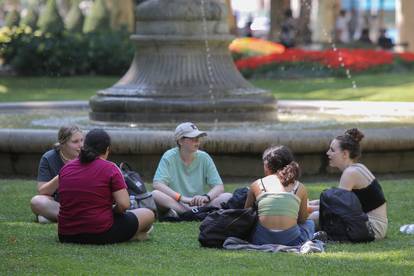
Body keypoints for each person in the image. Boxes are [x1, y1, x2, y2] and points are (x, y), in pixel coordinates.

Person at [58, 128, 154, 244]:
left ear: (85, 145)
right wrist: (114, 211)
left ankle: (135, 235)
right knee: (148, 214)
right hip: (100, 233)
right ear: (107, 149)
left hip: (66, 234)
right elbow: (124, 205)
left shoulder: (66, 168)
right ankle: (135, 235)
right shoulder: (110, 168)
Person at [309, 128, 387, 240]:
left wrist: (309, 208)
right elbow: (335, 203)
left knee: (313, 217)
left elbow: (335, 208)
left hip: (372, 228)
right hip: (373, 225)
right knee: (313, 215)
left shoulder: (350, 173)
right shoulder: (357, 167)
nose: (328, 153)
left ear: (345, 153)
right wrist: (311, 204)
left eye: (332, 150)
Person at [152, 122, 232, 217]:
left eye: (198, 137)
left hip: (200, 203)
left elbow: (219, 187)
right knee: (155, 194)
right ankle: (196, 212)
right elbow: (157, 184)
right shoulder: (169, 156)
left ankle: (184, 213)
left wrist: (206, 197)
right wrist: (182, 198)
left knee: (227, 196)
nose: (197, 141)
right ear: (180, 141)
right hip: (177, 202)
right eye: (193, 138)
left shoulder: (204, 157)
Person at [245, 145, 314, 246]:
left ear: (267, 166)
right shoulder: (299, 187)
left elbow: (246, 214)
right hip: (291, 241)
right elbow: (302, 219)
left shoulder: (257, 184)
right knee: (310, 223)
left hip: (261, 240)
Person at [30, 125, 83, 223]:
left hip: (83, 202)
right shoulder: (48, 158)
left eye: (81, 140)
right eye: (75, 142)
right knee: (37, 201)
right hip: (59, 203)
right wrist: (62, 175)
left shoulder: (87, 157)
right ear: (63, 143)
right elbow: (42, 191)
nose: (81, 145)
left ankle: (55, 217)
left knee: (43, 219)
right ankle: (78, 218)